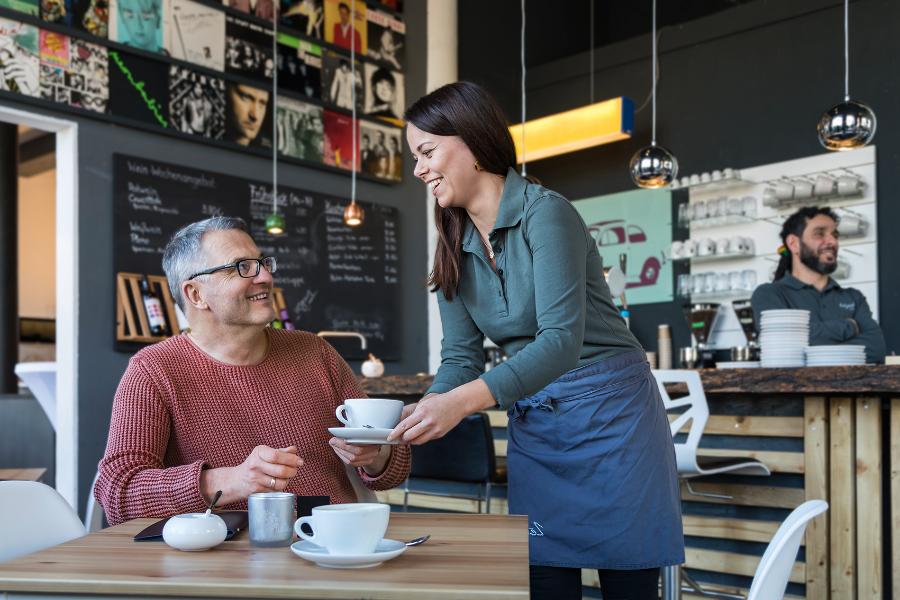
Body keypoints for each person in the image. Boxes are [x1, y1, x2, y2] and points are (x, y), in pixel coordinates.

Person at [389, 81, 683, 600]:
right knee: (544, 574)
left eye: (427, 152)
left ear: (474, 142)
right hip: (540, 427)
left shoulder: (547, 213)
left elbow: (561, 340)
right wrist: (428, 409)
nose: (419, 170)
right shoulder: (452, 245)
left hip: (613, 422)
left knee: (628, 582)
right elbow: (460, 357)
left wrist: (461, 402)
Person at [94, 217, 410, 525]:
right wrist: (231, 480)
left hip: (336, 546)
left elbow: (392, 469)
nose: (264, 278)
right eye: (242, 268)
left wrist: (376, 455)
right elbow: (118, 494)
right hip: (226, 560)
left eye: (262, 263)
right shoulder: (153, 371)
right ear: (196, 294)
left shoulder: (316, 352)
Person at [751, 206, 886, 363]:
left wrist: (811, 345)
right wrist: (848, 326)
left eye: (835, 235)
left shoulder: (854, 298)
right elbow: (786, 352)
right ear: (793, 243)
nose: (832, 241)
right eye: (820, 233)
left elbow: (876, 350)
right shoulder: (769, 294)